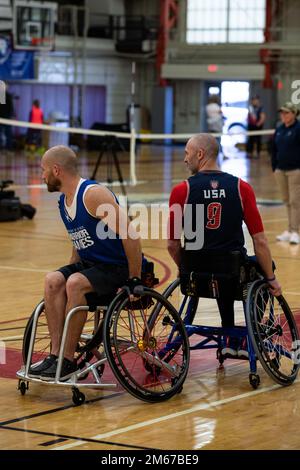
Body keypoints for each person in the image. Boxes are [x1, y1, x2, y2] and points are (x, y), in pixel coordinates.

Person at [29, 145, 143, 380]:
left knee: (75, 283)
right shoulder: (64, 201)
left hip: (118, 267)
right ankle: (55, 355)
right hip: (93, 265)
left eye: (43, 170)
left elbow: (130, 234)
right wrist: (67, 271)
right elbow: (79, 239)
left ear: (56, 170)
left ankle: (69, 360)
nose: (42, 175)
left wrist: (134, 279)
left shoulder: (93, 194)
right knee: (53, 280)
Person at [167, 133, 281, 357]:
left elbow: (172, 244)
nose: (184, 159)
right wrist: (271, 279)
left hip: (197, 273)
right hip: (231, 272)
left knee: (217, 271)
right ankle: (249, 332)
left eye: (187, 153)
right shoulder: (241, 188)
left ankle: (229, 333)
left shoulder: (182, 190)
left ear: (200, 154)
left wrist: (185, 269)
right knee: (260, 269)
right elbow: (260, 240)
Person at [272, 102, 300, 245]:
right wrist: (274, 167)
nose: (283, 115)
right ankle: (289, 230)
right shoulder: (280, 129)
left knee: (295, 202)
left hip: (295, 171)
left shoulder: (298, 128)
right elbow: (274, 149)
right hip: (280, 170)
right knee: (287, 201)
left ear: (294, 114)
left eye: (286, 113)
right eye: (282, 113)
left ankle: (296, 232)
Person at [206, 94, 227, 159]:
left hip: (210, 125)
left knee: (211, 141)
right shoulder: (216, 106)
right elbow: (221, 113)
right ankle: (222, 154)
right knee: (218, 141)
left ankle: (211, 155)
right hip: (217, 126)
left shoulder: (207, 107)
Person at [0, 85, 14, 150]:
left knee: (8, 133)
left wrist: (11, 115)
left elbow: (11, 107)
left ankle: (9, 147)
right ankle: (4, 147)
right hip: (2, 118)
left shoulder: (8, 96)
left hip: (7, 118)